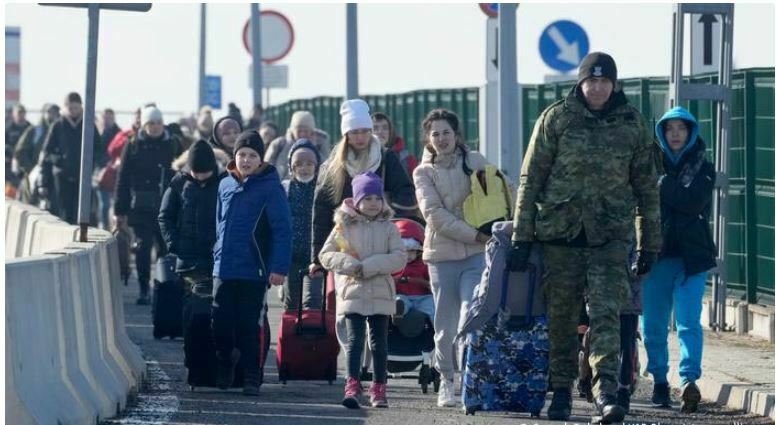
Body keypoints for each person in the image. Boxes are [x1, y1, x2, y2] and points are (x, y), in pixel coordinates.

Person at [508, 52, 661, 423]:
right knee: (561, 319)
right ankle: (560, 391)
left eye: (604, 81)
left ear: (614, 84)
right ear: (580, 83)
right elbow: (531, 180)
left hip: (609, 237)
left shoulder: (632, 124)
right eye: (591, 81)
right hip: (561, 235)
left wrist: (649, 243)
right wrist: (521, 236)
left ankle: (606, 393)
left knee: (607, 315)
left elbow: (646, 188)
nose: (597, 88)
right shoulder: (556, 119)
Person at [413, 108, 491, 407]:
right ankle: (446, 379)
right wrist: (475, 234)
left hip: (476, 254)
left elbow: (501, 192)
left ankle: (472, 381)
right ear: (428, 139)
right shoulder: (423, 172)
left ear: (457, 135)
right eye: (435, 134)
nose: (442, 138)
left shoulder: (475, 161)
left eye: (447, 132)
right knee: (445, 324)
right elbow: (435, 216)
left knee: (472, 315)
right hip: (442, 256)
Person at [642, 106, 716, 414]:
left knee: (688, 323)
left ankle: (688, 381)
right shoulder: (647, 165)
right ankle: (660, 379)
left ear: (690, 133)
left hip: (691, 258)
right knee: (654, 325)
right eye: (669, 128)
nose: (675, 134)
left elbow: (693, 202)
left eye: (681, 129)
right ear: (661, 132)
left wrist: (662, 186)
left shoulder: (703, 166)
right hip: (655, 256)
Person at [211, 130, 291, 396]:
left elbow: (282, 230)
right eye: (242, 154)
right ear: (235, 157)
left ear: (261, 159)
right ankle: (224, 360)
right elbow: (219, 224)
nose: (246, 160)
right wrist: (216, 253)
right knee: (219, 322)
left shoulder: (271, 187)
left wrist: (278, 268)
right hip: (224, 267)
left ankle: (251, 375)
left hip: (254, 270)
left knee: (249, 325)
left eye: (252, 155)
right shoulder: (225, 184)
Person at [319, 171, 406, 409]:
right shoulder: (342, 227)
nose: (373, 204)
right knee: (355, 341)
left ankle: (379, 387)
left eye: (377, 198)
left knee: (379, 342)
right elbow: (326, 254)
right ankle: (352, 385)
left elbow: (399, 257)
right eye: (367, 198)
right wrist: (349, 265)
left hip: (380, 291)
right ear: (356, 200)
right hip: (352, 291)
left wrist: (370, 266)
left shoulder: (389, 227)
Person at [310, 99, 417, 276]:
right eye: (354, 132)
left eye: (365, 131)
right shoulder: (335, 166)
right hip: (346, 246)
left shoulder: (385, 158)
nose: (360, 137)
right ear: (346, 135)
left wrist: (387, 216)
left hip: (380, 244)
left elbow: (405, 193)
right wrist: (317, 258)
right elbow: (321, 211)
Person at [114, 105, 181, 305]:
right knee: (142, 249)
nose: (155, 127)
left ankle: (162, 288)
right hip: (140, 208)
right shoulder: (133, 145)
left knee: (165, 249)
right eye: (151, 123)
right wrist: (120, 210)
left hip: (167, 206)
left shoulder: (173, 143)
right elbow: (123, 178)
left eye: (158, 123)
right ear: (144, 124)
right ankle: (144, 289)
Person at [158, 139, 222, 291]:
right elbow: (165, 216)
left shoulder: (224, 183)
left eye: (204, 173)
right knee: (189, 306)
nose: (200, 177)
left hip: (216, 259)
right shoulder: (178, 184)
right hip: (187, 259)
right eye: (196, 173)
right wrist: (175, 244)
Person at [39, 92, 102, 224]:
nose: (73, 111)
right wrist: (58, 160)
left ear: (81, 107)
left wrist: (92, 164)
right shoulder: (58, 126)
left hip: (83, 177)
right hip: (62, 177)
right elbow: (46, 152)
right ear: (65, 108)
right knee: (64, 213)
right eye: (70, 108)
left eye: (76, 108)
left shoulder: (89, 125)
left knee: (82, 214)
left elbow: (99, 149)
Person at [281, 139, 323, 311]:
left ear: (317, 166)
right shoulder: (285, 188)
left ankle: (311, 336)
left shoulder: (322, 189)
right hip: (291, 255)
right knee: (292, 301)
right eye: (298, 164)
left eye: (309, 163)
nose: (304, 168)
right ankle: (291, 335)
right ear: (291, 167)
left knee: (312, 301)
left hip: (316, 255)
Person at [14, 103, 60, 203]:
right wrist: (31, 169)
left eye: (55, 113)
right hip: (33, 177)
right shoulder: (35, 131)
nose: (52, 115)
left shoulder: (60, 132)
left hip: (54, 178)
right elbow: (20, 151)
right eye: (49, 112)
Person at [392, 219, 434, 322]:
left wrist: (419, 281)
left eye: (412, 251)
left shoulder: (424, 264)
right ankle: (397, 313)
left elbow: (431, 283)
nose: (408, 256)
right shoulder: (393, 266)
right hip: (402, 295)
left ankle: (439, 330)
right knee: (398, 301)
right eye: (404, 252)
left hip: (422, 297)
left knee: (432, 306)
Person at [172, 116, 238, 173]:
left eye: (236, 132)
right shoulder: (208, 154)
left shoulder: (245, 155)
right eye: (226, 133)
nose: (232, 136)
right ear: (218, 135)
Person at [265, 110, 317, 181]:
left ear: (311, 132)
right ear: (292, 130)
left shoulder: (319, 145)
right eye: (299, 131)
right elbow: (266, 169)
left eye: (306, 131)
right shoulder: (279, 144)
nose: (302, 134)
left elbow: (325, 170)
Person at [94, 108, 121, 229]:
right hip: (100, 175)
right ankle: (104, 227)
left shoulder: (119, 134)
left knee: (113, 204)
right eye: (104, 118)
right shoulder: (97, 133)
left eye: (109, 118)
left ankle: (113, 228)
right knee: (103, 204)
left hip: (115, 174)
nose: (107, 120)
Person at [372, 112, 418, 177]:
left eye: (385, 128)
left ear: (391, 132)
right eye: (375, 128)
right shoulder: (360, 156)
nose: (380, 132)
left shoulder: (408, 160)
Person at [6, 103, 31, 186]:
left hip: (26, 162)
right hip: (10, 161)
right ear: (14, 114)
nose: (21, 115)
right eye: (18, 113)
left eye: (22, 113)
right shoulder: (8, 128)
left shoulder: (30, 127)